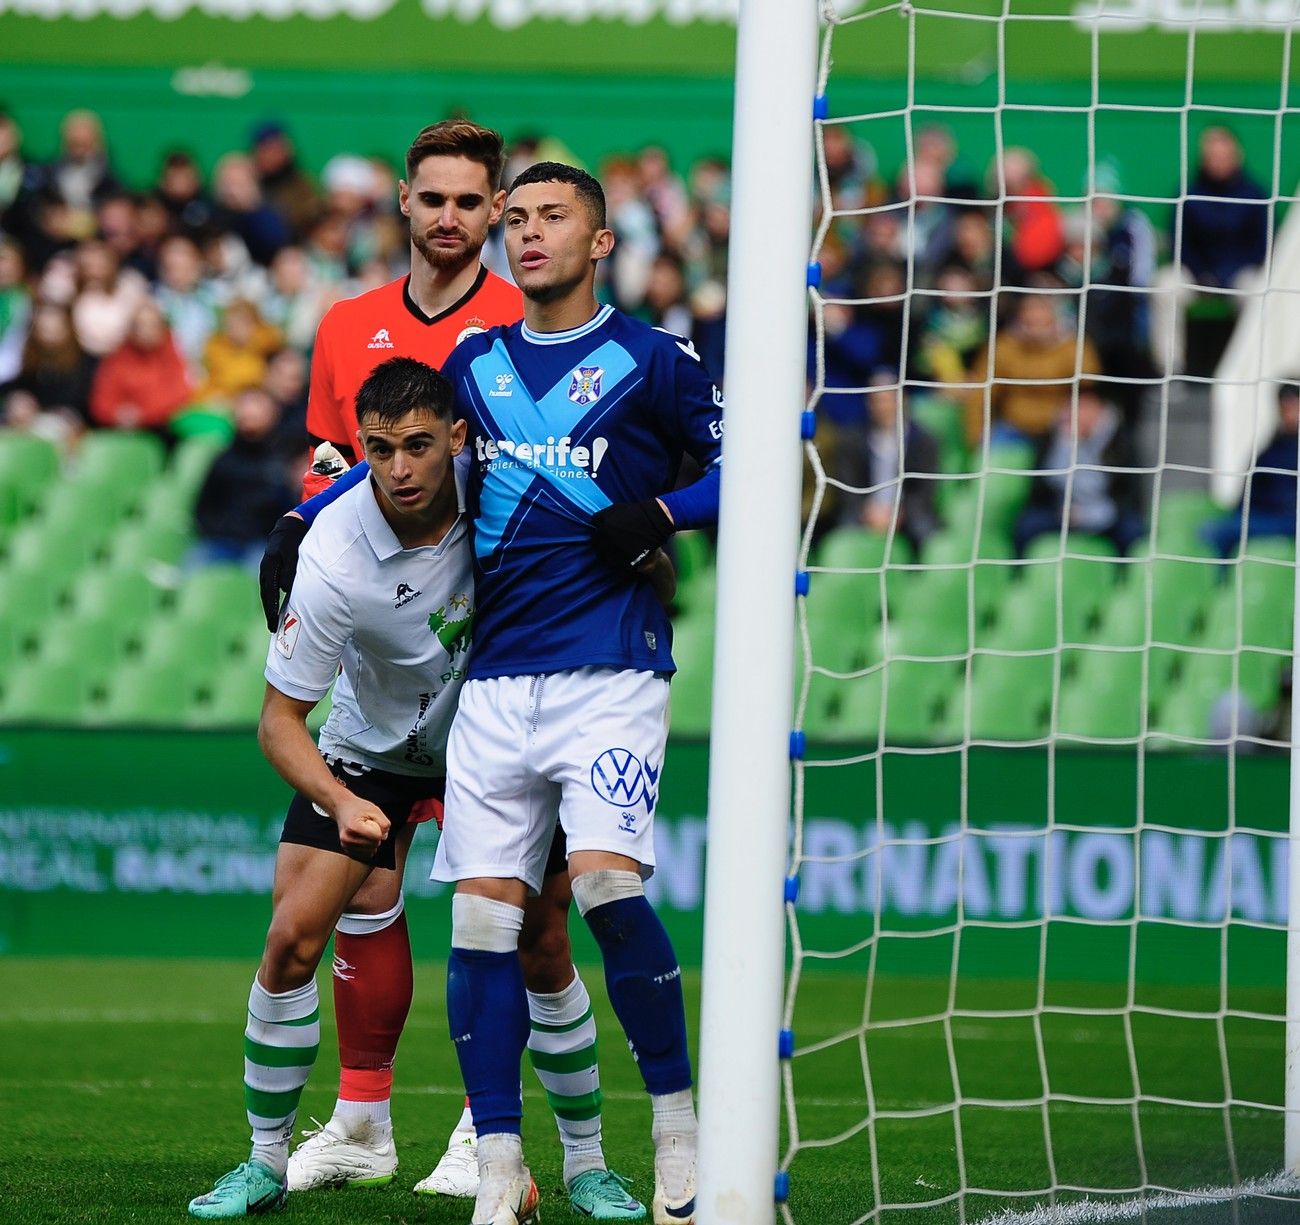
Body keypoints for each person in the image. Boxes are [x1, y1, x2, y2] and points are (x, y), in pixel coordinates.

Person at [285, 161, 720, 1225]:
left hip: (611, 668)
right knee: (482, 929)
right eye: (514, 219)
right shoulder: (476, 363)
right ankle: (493, 1172)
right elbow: (411, 458)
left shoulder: (655, 359)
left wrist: (662, 514)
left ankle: (677, 1124)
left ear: (602, 240)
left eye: (550, 218)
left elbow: (754, 463)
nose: (526, 235)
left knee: (609, 892)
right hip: (495, 683)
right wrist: (304, 519)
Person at [187, 357, 473, 1218]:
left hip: (487, 744)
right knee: (291, 943)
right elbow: (279, 722)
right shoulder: (334, 554)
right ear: (360, 451)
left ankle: (492, 1135)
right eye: (379, 450)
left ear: (457, 440)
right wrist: (345, 802)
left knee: (524, 938)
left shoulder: (503, 496)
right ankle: (268, 1160)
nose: (400, 469)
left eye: (419, 446)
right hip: (367, 749)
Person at [1202, 381, 1299, 557]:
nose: (1290, 411)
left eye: (1294, 404)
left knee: (1219, 531)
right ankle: (1224, 581)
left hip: (1287, 518)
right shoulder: (1273, 447)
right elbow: (1252, 489)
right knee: (1211, 529)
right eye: (1286, 405)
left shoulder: (1287, 448)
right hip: (1266, 514)